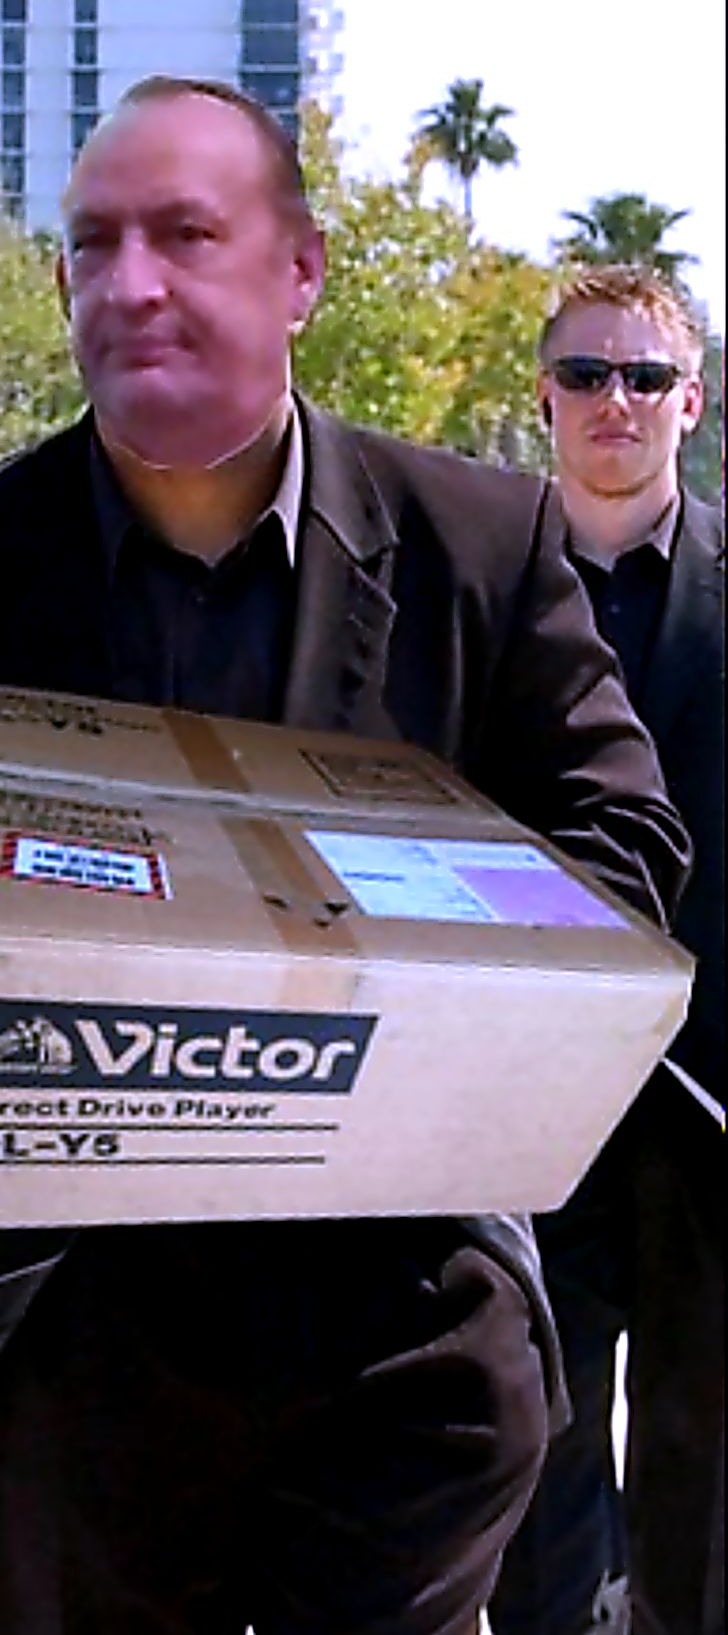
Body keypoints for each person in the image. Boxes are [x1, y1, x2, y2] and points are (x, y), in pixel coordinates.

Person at [0, 81, 691, 1635]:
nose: (133, 283)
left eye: (188, 235)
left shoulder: (479, 543)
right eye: (94, 244)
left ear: (299, 270)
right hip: (64, 1326)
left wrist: (382, 933)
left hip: (407, 1323)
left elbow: (626, 849)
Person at [491, 269, 724, 1635]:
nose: (615, 402)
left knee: (706, 1451)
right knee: (533, 1433)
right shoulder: (475, 585)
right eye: (586, 375)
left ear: (692, 401)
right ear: (545, 397)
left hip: (714, 1094)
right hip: (523, 1093)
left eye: (645, 377)